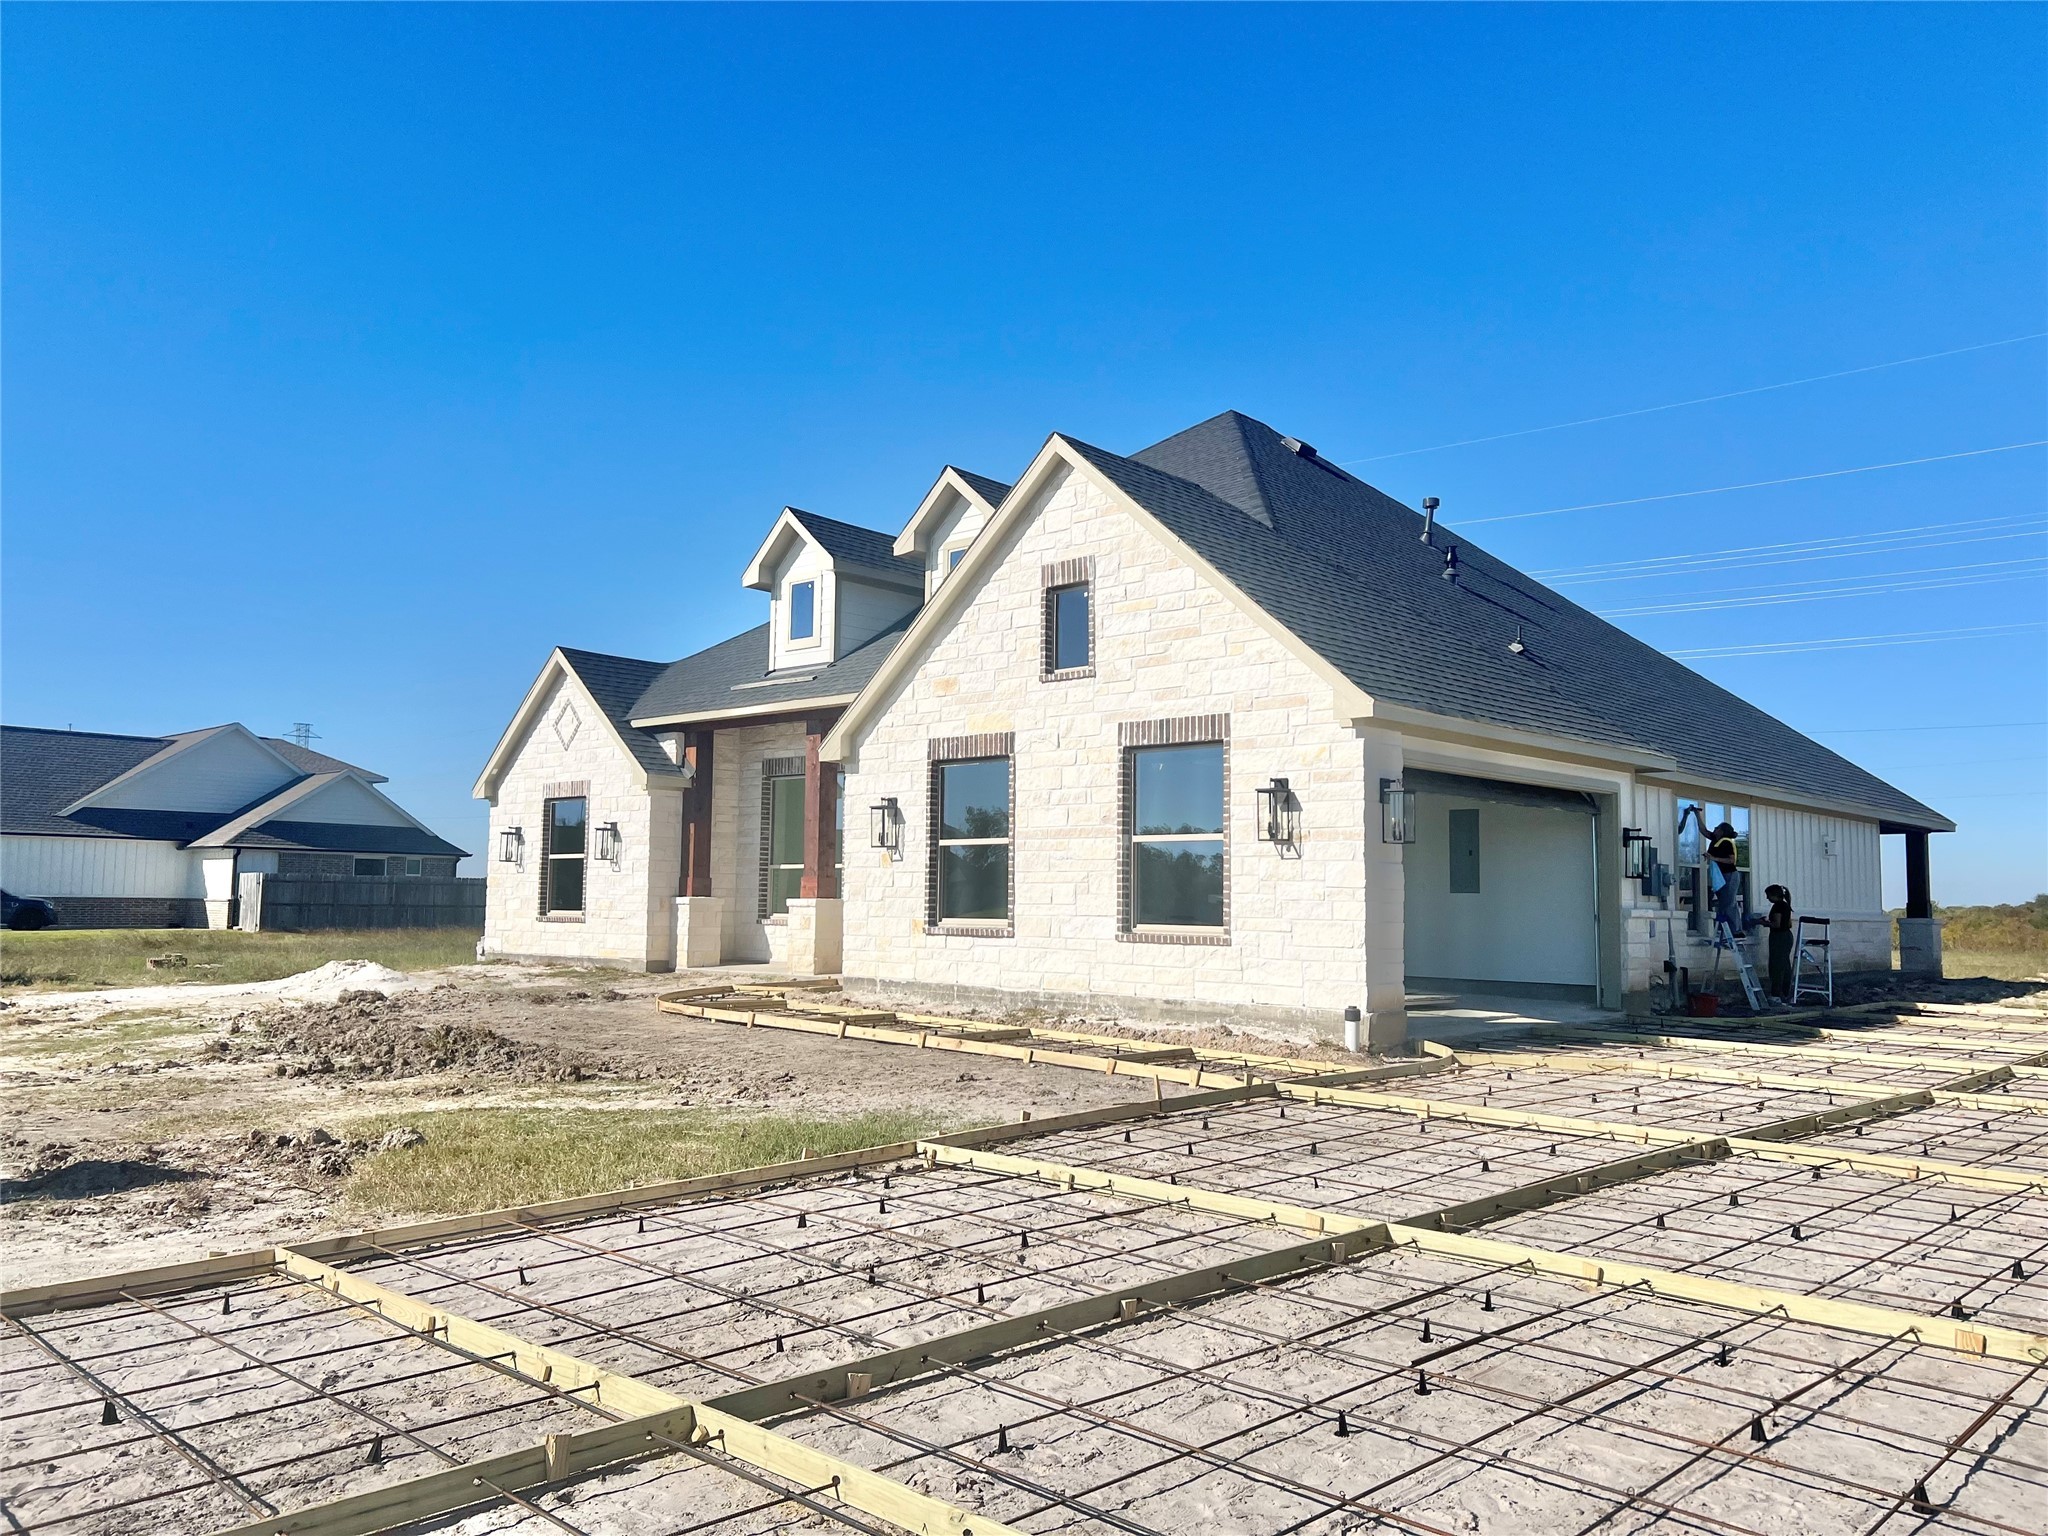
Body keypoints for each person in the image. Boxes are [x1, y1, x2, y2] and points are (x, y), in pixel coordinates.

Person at [1706, 821, 1743, 935]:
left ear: (1721, 831)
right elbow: (1704, 831)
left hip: (1730, 875)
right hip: (1720, 876)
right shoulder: (1715, 841)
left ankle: (1736, 930)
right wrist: (1697, 815)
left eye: (1716, 828)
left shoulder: (1726, 842)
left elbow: (1731, 860)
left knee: (1729, 902)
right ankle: (1725, 931)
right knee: (1723, 903)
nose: (1714, 829)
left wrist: (1713, 858)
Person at [1763, 884, 1796, 1003]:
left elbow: (1776, 924)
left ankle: (1776, 994)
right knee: (1785, 965)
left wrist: (1763, 923)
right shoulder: (1786, 906)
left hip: (1778, 937)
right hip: (1787, 935)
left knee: (1776, 965)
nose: (1767, 898)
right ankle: (1786, 993)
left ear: (1774, 895)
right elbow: (1789, 924)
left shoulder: (1778, 906)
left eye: (1768, 895)